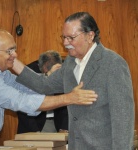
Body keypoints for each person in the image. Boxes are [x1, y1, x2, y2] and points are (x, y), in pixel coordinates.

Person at [0, 28, 98, 149]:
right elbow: (21, 101)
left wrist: (49, 81)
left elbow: (26, 87)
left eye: (14, 49)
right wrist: (69, 98)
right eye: (9, 51)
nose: (15, 55)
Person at [12, 12, 135, 150]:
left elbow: (123, 118)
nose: (65, 43)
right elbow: (44, 85)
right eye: (64, 37)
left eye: (71, 38)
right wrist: (12, 62)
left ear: (90, 36)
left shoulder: (113, 63)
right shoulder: (70, 63)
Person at [17, 50, 68, 134]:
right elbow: (23, 106)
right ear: (42, 67)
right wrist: (34, 131)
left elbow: (69, 101)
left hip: (58, 121)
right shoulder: (28, 72)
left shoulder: (66, 70)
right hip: (34, 123)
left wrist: (64, 128)